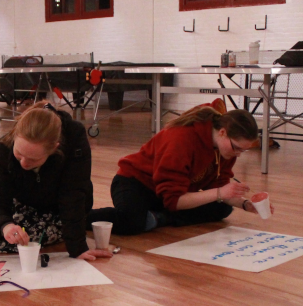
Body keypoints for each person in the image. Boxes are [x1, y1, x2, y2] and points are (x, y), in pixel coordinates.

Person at [0, 104, 111, 262]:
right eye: (19, 155)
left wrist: (78, 248)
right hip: (23, 204)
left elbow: (73, 196)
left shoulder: (74, 140)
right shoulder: (4, 147)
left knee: (32, 236)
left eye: (33, 160)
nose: (23, 164)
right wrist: (6, 226)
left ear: (54, 149)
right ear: (15, 136)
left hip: (56, 211)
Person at [87, 101, 265, 235]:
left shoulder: (225, 150)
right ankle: (74, 219)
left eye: (244, 150)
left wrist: (244, 203)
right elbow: (174, 200)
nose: (239, 154)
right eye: (237, 148)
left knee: (222, 208)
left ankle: (158, 218)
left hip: (172, 192)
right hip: (136, 183)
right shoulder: (182, 139)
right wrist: (220, 193)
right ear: (222, 132)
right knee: (130, 222)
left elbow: (219, 186)